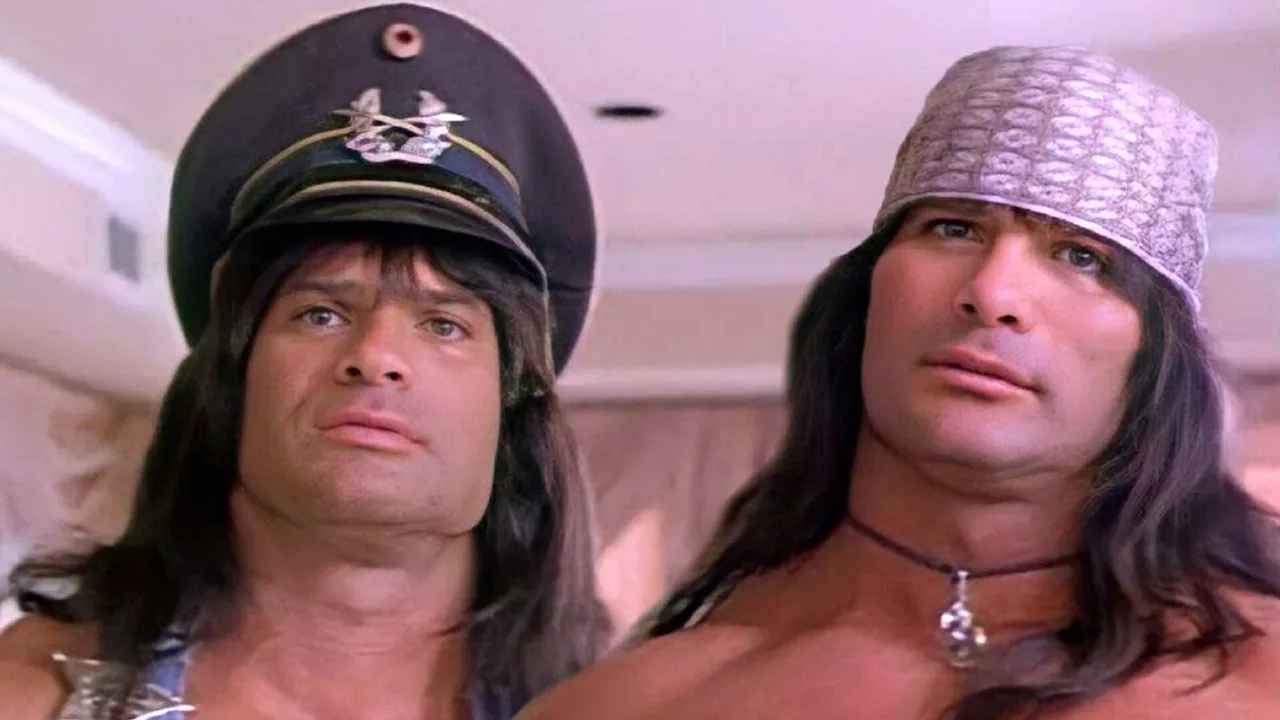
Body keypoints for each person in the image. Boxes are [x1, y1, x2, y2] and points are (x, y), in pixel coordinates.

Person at [519, 45, 1280, 720]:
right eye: (954, 227)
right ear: (864, 299)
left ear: (1155, 359)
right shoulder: (636, 703)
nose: (994, 292)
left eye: (1083, 258)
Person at [0, 4, 611, 719]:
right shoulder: (33, 699)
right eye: (321, 313)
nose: (375, 356)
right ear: (232, 377)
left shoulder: (620, 708)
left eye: (443, 324)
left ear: (513, 404)